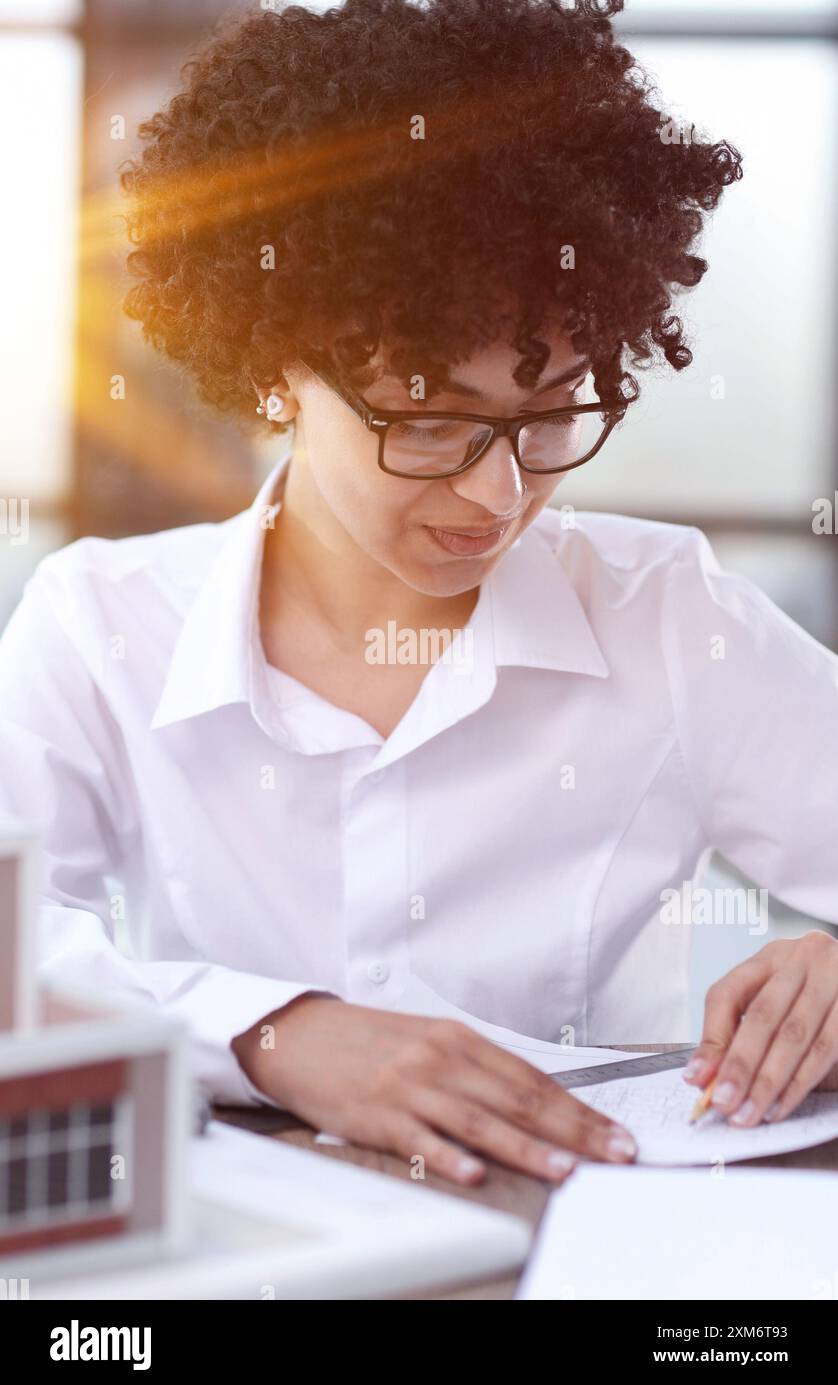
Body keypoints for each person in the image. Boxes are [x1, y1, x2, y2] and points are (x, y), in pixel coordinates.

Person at [1, 0, 836, 1189]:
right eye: (430, 418)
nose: (497, 493)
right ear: (276, 371)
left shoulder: (666, 618)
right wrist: (273, 1032)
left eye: (548, 419)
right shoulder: (99, 624)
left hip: (585, 1239)